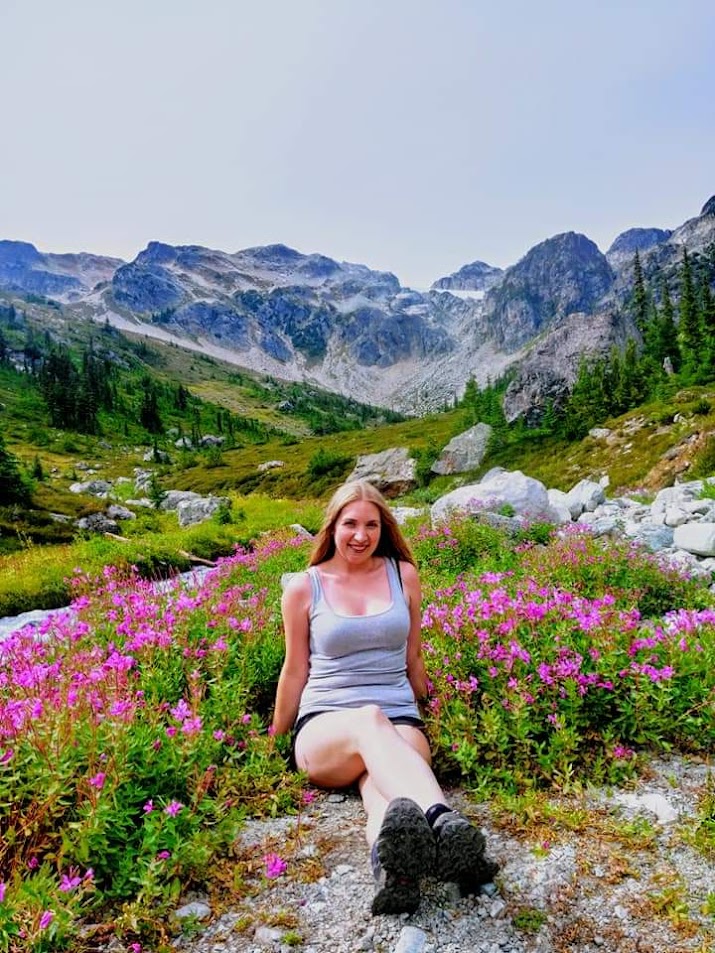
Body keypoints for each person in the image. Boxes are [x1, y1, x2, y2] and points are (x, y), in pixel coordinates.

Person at [271, 480, 497, 915]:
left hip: (400, 717)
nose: (361, 535)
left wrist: (432, 706)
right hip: (325, 725)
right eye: (350, 523)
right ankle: (445, 824)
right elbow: (295, 668)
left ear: (384, 527)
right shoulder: (303, 587)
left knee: (385, 795)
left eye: (371, 524)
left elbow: (413, 656)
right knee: (369, 719)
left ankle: (393, 874)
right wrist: (272, 739)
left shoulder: (402, 574)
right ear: (332, 526)